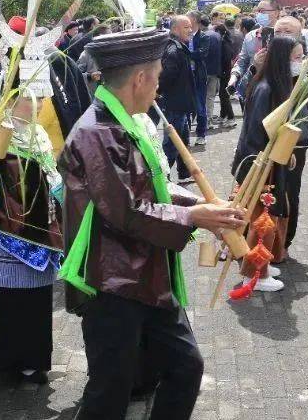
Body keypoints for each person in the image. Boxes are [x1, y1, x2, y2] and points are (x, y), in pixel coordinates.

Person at [59, 28, 245, 420]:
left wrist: (205, 208)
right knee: (109, 392)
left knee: (185, 367)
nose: (159, 87)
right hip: (112, 280)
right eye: (158, 77)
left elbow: (153, 187)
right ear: (140, 79)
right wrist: (194, 216)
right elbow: (126, 211)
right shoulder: (97, 133)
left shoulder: (124, 123)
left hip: (145, 274)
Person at [0, 94, 62, 384]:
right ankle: (7, 359)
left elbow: (52, 175)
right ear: (12, 99)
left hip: (42, 228)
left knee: (37, 300)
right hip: (6, 230)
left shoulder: (39, 133)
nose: (39, 104)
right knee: (8, 298)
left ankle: (35, 359)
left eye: (42, 97)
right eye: (31, 97)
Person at [231, 35, 304, 292]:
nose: (299, 63)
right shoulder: (266, 89)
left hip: (268, 164)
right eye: (296, 58)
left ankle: (259, 266)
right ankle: (255, 275)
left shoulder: (274, 86)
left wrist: (286, 150)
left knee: (266, 219)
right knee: (262, 223)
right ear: (283, 59)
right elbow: (256, 134)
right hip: (259, 166)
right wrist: (266, 162)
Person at [158, 14, 198, 173]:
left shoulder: (178, 47)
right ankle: (163, 177)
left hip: (181, 104)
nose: (190, 30)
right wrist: (157, 91)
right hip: (175, 105)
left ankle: (184, 172)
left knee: (183, 139)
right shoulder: (174, 50)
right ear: (175, 29)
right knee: (172, 144)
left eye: (190, 27)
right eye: (186, 27)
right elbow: (166, 76)